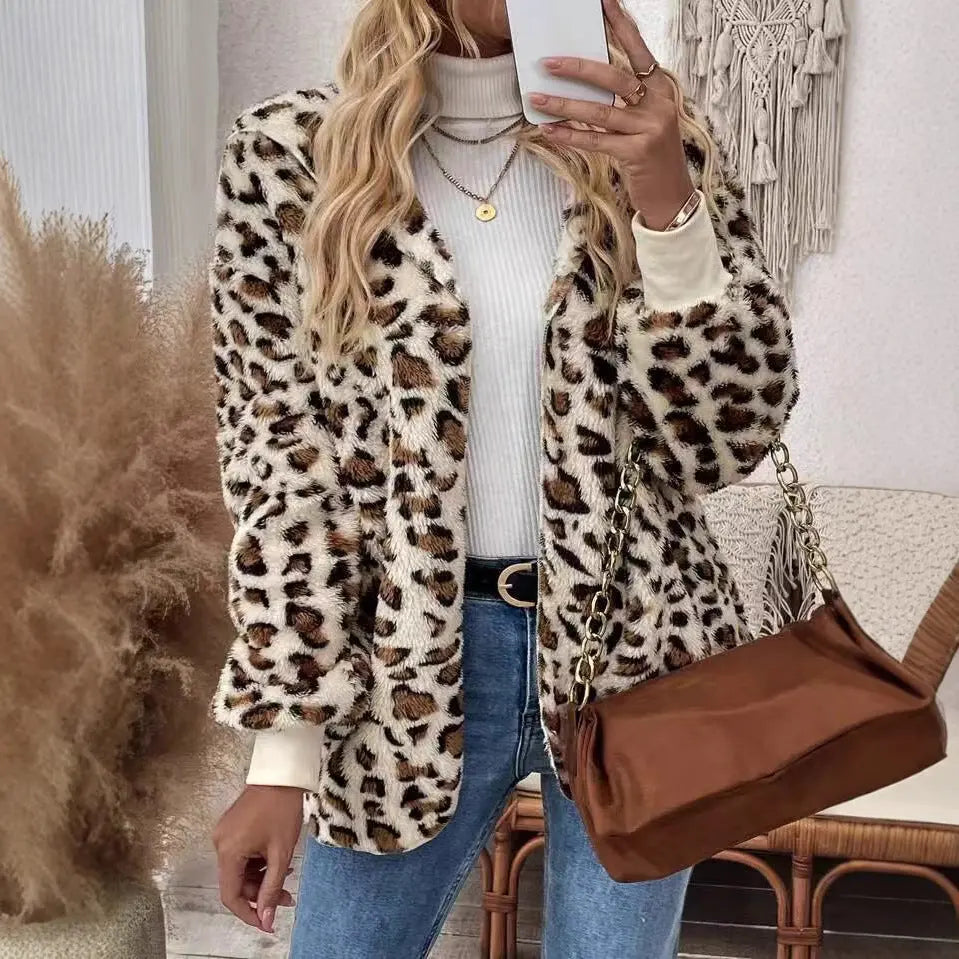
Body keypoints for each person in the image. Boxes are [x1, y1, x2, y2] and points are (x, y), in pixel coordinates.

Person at [208, 0, 798, 955]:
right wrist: (281, 754)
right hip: (408, 662)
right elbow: (283, 471)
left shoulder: (652, 141)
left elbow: (725, 442)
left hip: (635, 651)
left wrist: (662, 196)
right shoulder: (291, 157)